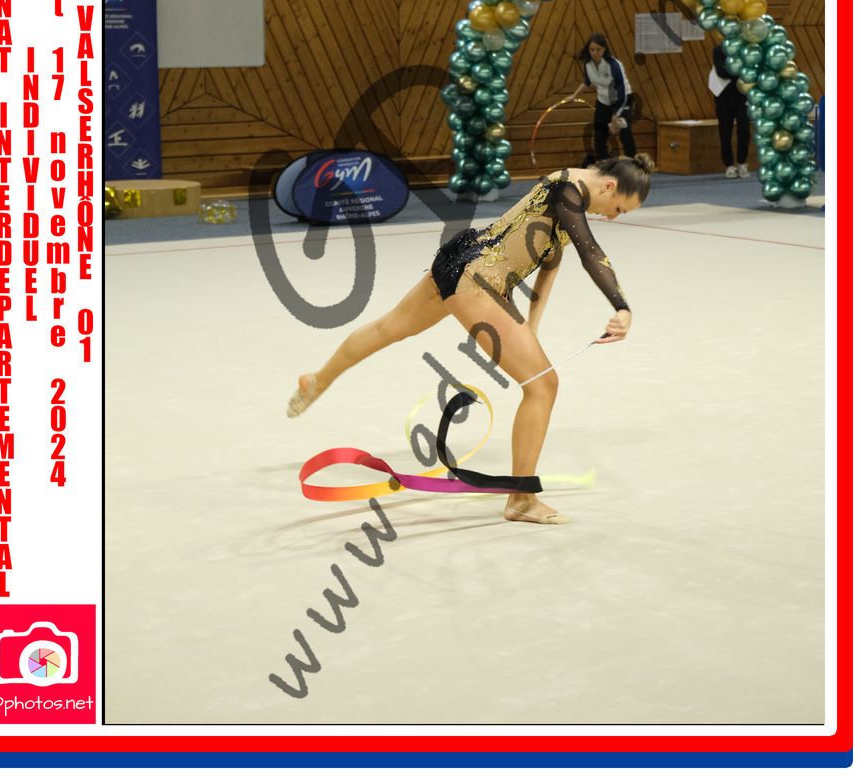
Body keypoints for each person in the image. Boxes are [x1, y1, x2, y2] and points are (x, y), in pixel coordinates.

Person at [288, 154, 655, 526]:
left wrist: (532, 327)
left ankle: (318, 379)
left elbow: (550, 262)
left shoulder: (568, 185)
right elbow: (591, 252)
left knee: (389, 328)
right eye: (619, 209)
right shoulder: (569, 191)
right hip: (479, 283)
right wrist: (621, 306)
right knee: (543, 386)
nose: (613, 216)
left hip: (459, 260)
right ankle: (521, 500)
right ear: (609, 186)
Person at [562, 34, 637, 165]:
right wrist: (574, 95)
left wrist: (615, 114)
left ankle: (634, 165)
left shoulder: (613, 65)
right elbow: (587, 81)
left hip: (622, 101)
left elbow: (621, 89)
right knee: (599, 133)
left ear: (604, 49)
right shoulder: (588, 64)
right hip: (603, 101)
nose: (595, 53)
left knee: (625, 133)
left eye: (598, 49)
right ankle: (603, 163)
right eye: (592, 50)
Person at [709, 42, 750, 178]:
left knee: (744, 130)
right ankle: (729, 165)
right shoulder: (719, 50)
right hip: (723, 96)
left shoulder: (744, 49)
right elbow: (721, 72)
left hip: (742, 96)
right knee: (725, 130)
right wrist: (739, 72)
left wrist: (736, 72)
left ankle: (742, 162)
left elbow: (749, 70)